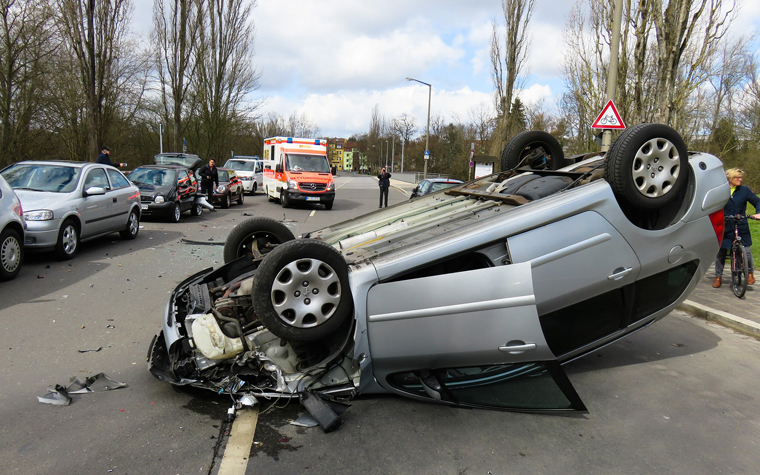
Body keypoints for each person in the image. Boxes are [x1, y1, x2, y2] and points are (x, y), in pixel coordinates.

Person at [713, 168, 760, 288]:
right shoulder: (721, 191)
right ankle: (718, 276)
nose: (740, 179)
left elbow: (757, 201)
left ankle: (750, 273)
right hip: (726, 224)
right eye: (737, 177)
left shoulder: (744, 190)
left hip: (741, 224)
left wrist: (758, 212)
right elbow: (713, 206)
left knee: (747, 251)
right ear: (729, 178)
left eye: (740, 177)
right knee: (721, 252)